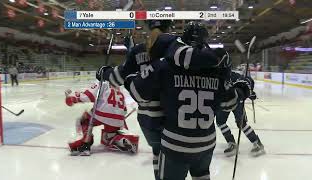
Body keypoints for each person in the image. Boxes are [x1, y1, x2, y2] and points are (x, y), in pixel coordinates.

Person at [122, 22, 253, 180]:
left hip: (175, 144)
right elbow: (230, 103)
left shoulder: (165, 65)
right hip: (206, 145)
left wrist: (129, 77)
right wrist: (242, 88)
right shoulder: (215, 71)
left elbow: (138, 92)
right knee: (202, 176)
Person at [99, 20, 176, 179]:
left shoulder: (138, 50)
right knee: (175, 159)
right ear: (169, 28)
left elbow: (118, 77)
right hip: (174, 117)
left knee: (157, 153)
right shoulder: (177, 48)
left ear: (148, 29)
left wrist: (104, 72)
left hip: (149, 119)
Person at [65, 80, 139, 156]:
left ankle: (85, 144)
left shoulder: (102, 82)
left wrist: (71, 97)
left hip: (102, 114)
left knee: (83, 120)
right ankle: (120, 140)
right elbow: (124, 110)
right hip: (118, 118)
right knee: (109, 136)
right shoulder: (119, 89)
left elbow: (88, 96)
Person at [216, 71, 265, 157]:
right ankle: (232, 143)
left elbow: (248, 81)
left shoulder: (232, 75)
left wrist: (248, 92)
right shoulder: (215, 77)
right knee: (220, 122)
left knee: (241, 123)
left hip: (237, 100)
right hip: (223, 102)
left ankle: (257, 143)